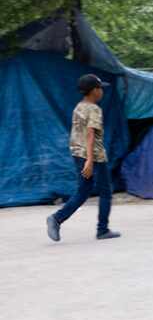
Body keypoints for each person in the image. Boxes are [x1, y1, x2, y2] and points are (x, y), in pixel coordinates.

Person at [46, 74, 120, 242]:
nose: (102, 91)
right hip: (94, 156)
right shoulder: (94, 109)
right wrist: (90, 160)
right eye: (100, 88)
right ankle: (103, 230)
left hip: (77, 153)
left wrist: (83, 157)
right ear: (94, 91)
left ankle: (57, 219)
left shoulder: (79, 107)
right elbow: (90, 133)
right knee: (106, 192)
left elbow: (76, 133)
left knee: (83, 191)